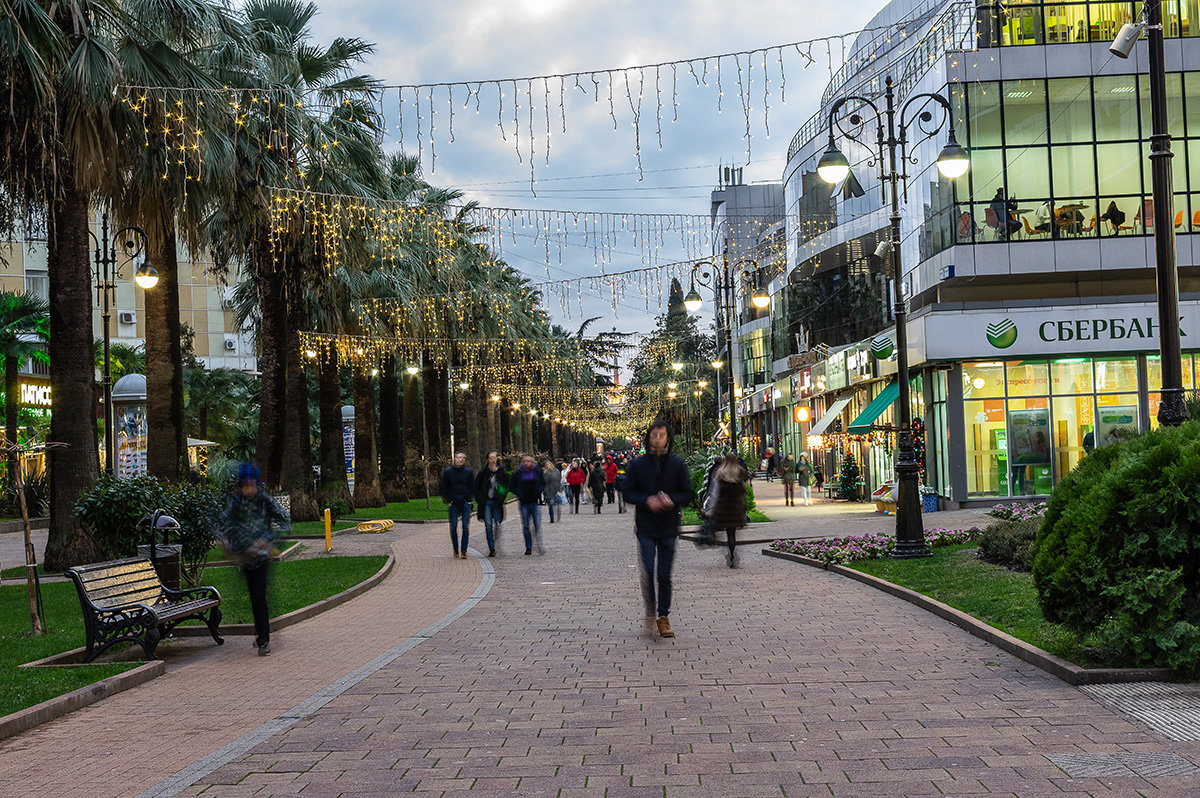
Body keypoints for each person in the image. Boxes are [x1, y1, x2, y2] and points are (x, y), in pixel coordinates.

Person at [622, 420, 694, 639]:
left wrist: (672, 500)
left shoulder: (677, 465)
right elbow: (628, 493)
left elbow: (688, 493)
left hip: (668, 527)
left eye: (662, 435)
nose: (658, 439)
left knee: (664, 573)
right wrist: (647, 500)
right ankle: (650, 609)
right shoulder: (637, 465)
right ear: (648, 437)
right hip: (645, 527)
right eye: (654, 435)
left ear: (667, 438)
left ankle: (663, 617)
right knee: (648, 571)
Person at [220, 462, 289, 656]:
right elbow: (227, 524)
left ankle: (263, 640)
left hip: (261, 558)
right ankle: (260, 631)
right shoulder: (235, 502)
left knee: (260, 596)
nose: (248, 489)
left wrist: (268, 540)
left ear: (257, 484)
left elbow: (284, 521)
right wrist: (230, 545)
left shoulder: (264, 501)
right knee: (254, 597)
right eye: (245, 485)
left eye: (252, 485)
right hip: (244, 558)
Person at [709, 453, 750, 569]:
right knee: (732, 533)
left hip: (723, 507)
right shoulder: (740, 473)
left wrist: (710, 508)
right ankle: (732, 554)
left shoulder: (720, 473)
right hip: (736, 507)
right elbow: (744, 491)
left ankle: (730, 552)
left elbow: (715, 492)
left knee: (726, 532)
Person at [439, 451, 475, 559]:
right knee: (453, 527)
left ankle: (464, 550)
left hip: (465, 503)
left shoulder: (468, 472)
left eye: (463, 458)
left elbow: (472, 487)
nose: (461, 459)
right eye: (459, 457)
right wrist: (448, 500)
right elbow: (443, 487)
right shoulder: (448, 472)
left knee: (465, 527)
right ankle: (455, 548)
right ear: (454, 458)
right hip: (454, 503)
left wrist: (470, 499)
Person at [508, 454, 546, 555]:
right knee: (526, 525)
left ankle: (539, 544)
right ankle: (528, 547)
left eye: (529, 461)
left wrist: (538, 492)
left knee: (537, 524)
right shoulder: (518, 473)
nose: (527, 463)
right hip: (524, 502)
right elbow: (511, 485)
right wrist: (519, 493)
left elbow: (542, 483)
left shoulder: (537, 472)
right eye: (525, 461)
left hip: (534, 502)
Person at [473, 451, 508, 557]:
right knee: (488, 525)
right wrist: (479, 499)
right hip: (487, 502)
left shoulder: (501, 472)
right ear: (487, 459)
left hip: (497, 502)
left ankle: (495, 539)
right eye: (491, 458)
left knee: (497, 523)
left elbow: (505, 486)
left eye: (495, 457)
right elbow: (476, 487)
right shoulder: (483, 473)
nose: (493, 459)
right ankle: (491, 548)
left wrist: (501, 497)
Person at [542, 459, 561, 524]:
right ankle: (552, 517)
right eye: (546, 465)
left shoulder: (556, 471)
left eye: (548, 464)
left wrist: (560, 489)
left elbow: (558, 480)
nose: (547, 466)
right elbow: (544, 481)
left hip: (555, 490)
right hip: (548, 491)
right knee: (550, 504)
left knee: (554, 503)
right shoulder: (544, 473)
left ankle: (557, 514)